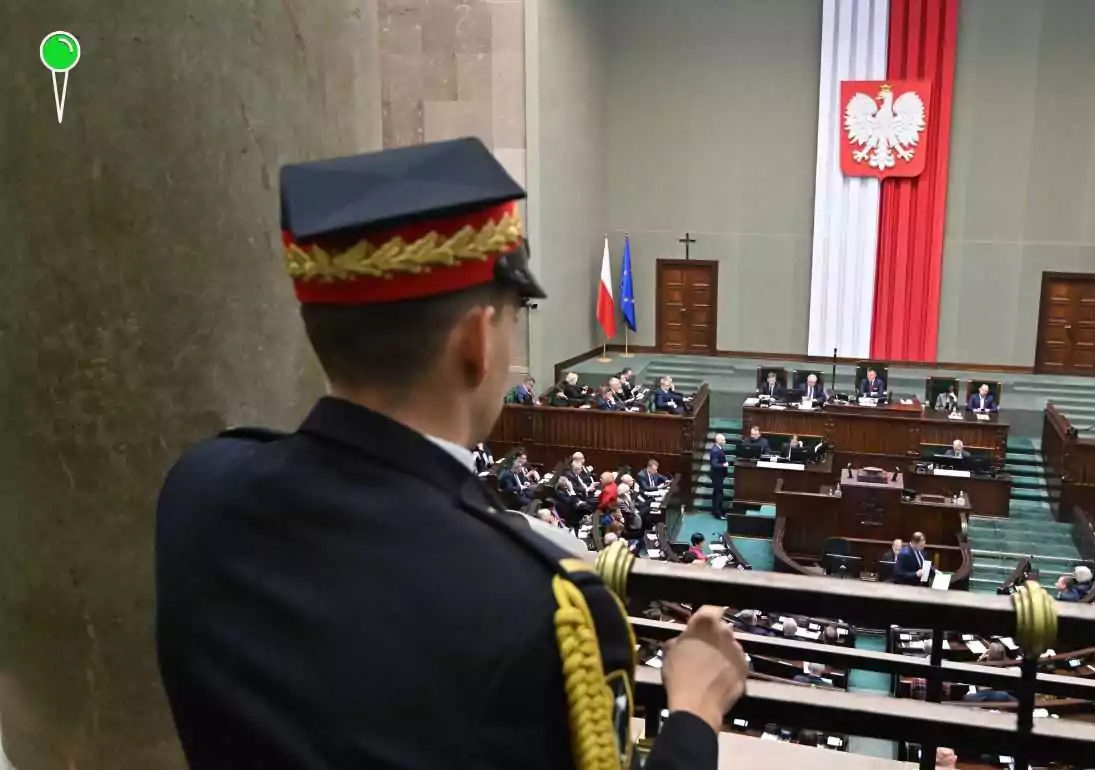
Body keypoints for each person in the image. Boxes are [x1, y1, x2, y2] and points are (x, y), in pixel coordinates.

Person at [155, 138, 744, 770]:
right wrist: (695, 711)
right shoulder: (540, 614)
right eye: (514, 316)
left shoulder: (199, 491)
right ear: (475, 342)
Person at [710, 434, 729, 519]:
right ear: (718, 441)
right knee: (719, 494)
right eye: (723, 440)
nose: (725, 442)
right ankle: (718, 513)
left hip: (719, 475)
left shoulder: (719, 449)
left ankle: (715, 510)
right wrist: (724, 465)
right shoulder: (715, 450)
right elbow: (714, 464)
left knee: (717, 493)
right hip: (717, 475)